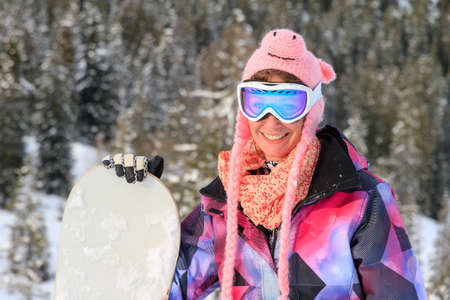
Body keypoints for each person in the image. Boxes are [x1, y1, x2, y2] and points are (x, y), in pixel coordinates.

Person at [103, 29, 426, 299]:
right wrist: (138, 211)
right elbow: (165, 287)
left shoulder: (359, 199)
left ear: (311, 110)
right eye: (258, 102)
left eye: (288, 103)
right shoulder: (224, 206)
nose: (270, 122)